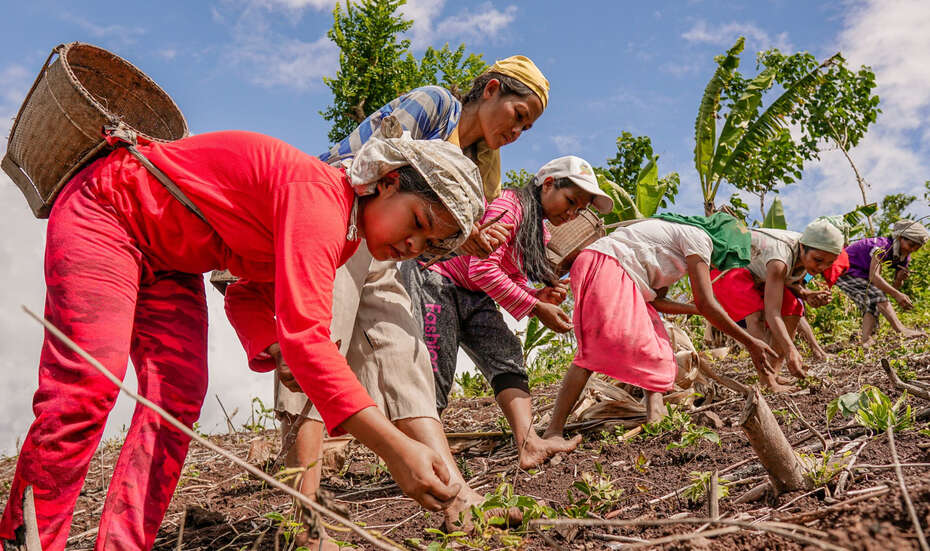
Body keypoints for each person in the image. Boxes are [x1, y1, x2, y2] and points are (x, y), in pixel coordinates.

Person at [0, 130, 485, 551]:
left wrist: (273, 345)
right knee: (89, 385)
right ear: (388, 181)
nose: (412, 245)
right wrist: (397, 451)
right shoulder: (319, 198)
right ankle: (26, 536)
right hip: (110, 209)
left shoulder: (344, 240)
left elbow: (247, 291)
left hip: (170, 262)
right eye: (418, 222)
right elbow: (311, 343)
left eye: (428, 245)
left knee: (177, 399)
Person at [233, 55, 556, 538]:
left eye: (527, 127)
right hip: (339, 222)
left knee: (406, 356)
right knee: (320, 344)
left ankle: (457, 497)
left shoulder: (482, 167)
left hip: (391, 253)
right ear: (490, 90)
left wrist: (453, 237)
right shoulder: (435, 105)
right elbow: (371, 169)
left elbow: (449, 237)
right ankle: (305, 519)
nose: (518, 131)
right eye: (518, 115)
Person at [401, 156, 611, 469]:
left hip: (473, 290)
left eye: (578, 210)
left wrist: (535, 295)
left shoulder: (539, 231)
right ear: (548, 184)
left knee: (506, 353)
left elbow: (505, 274)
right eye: (570, 201)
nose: (571, 213)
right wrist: (537, 307)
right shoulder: (508, 207)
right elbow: (482, 267)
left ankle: (528, 443)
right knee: (435, 369)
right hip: (436, 278)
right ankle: (420, 459)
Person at [541, 213, 779, 437]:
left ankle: (656, 415)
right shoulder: (699, 238)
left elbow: (659, 301)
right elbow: (706, 302)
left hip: (621, 274)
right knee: (592, 351)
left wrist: (694, 310)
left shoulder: (681, 245)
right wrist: (749, 341)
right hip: (607, 265)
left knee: (657, 346)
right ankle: (554, 430)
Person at [710, 220, 843, 392]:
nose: (822, 267)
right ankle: (767, 380)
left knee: (794, 307)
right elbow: (773, 313)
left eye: (829, 263)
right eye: (818, 260)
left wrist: (805, 294)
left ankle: (774, 372)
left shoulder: (808, 258)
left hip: (757, 274)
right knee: (755, 317)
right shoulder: (780, 259)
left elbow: (791, 285)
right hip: (729, 268)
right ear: (802, 247)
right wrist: (790, 350)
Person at [832, 219, 929, 345]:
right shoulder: (882, 247)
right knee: (876, 294)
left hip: (860, 274)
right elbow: (875, 277)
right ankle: (901, 329)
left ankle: (866, 339)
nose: (912, 250)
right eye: (911, 245)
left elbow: (895, 287)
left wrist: (899, 279)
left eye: (916, 248)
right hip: (842, 269)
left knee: (871, 303)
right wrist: (897, 295)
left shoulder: (904, 256)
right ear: (900, 238)